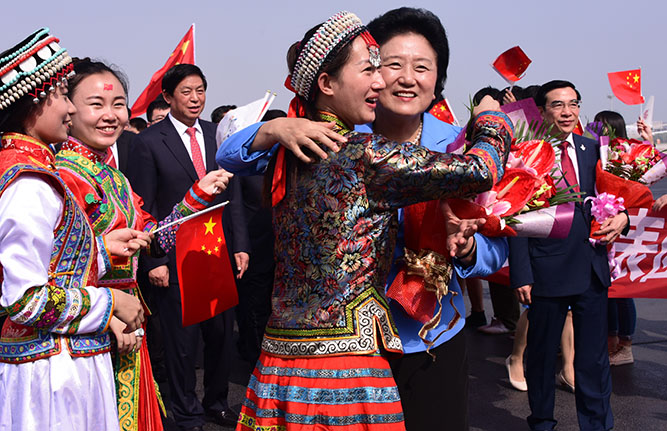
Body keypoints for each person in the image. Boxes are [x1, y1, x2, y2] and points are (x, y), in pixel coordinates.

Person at [217, 10, 513, 430]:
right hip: (350, 363)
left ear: (438, 78)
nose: (388, 80)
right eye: (379, 67)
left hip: (290, 360)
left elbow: (498, 246)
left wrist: (467, 249)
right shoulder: (354, 149)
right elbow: (482, 169)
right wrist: (491, 116)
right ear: (327, 83)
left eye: (421, 67)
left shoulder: (293, 151)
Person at [55, 58, 233, 431]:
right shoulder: (62, 177)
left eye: (118, 104)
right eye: (97, 104)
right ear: (68, 108)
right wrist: (106, 315)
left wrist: (195, 198)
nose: (111, 115)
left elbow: (154, 238)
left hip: (127, 327)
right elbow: (51, 271)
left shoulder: (113, 178)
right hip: (83, 335)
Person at [0, 28, 148, 430]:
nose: (69, 108)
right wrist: (109, 304)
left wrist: (100, 249)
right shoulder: (30, 181)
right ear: (35, 101)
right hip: (50, 370)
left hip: (62, 357)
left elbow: (52, 261)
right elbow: (25, 300)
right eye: (64, 96)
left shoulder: (33, 170)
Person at [126, 63, 249, 431]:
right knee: (182, 342)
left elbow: (234, 195)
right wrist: (155, 261)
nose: (195, 98)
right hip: (175, 253)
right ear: (167, 96)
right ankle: (186, 411)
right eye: (186, 91)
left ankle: (216, 402)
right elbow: (145, 205)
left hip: (218, 250)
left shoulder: (218, 135)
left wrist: (240, 244)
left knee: (221, 336)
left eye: (200, 90)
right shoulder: (149, 141)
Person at [508, 80, 630, 431]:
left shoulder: (594, 149)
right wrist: (521, 272)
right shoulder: (528, 152)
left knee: (593, 359)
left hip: (591, 269)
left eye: (573, 104)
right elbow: (514, 214)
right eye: (558, 105)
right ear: (541, 111)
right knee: (542, 356)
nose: (567, 112)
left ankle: (597, 424)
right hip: (546, 270)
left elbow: (615, 195)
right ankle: (542, 421)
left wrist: (623, 217)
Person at [592, 110, 645, 366]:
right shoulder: (598, 156)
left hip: (626, 232)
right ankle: (611, 341)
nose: (596, 129)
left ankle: (625, 344)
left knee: (623, 290)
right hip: (606, 230)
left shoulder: (626, 158)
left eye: (600, 126)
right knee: (609, 290)